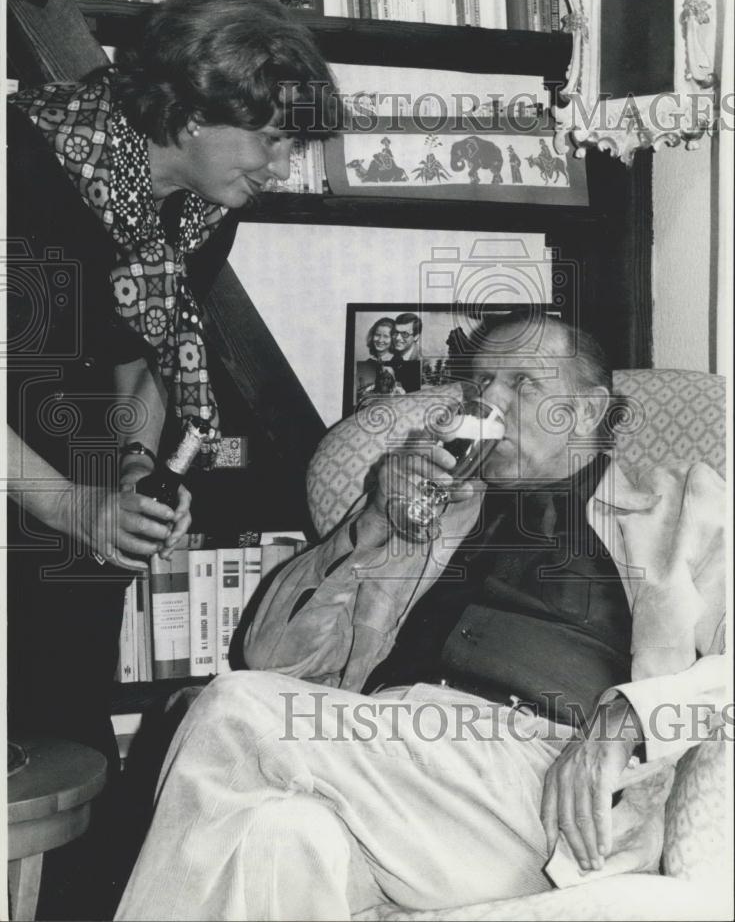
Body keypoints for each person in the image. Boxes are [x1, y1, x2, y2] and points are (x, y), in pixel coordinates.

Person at [115, 313, 726, 921]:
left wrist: (624, 721)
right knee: (282, 836)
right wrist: (373, 521)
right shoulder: (431, 507)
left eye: (523, 383)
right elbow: (271, 656)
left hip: (539, 790)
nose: (490, 401)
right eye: (481, 383)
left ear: (588, 411)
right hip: (391, 773)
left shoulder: (675, 506)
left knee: (229, 708)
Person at [5, 0, 337, 917]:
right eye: (269, 138)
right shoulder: (20, 165)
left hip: (67, 499)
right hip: (35, 485)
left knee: (64, 753)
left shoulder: (198, 212)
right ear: (191, 112)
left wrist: (133, 469)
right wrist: (69, 503)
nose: (282, 165)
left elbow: (140, 354)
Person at [391, 311, 422, 392]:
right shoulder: (392, 355)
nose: (397, 338)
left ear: (416, 336)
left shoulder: (423, 360)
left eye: (404, 334)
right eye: (396, 332)